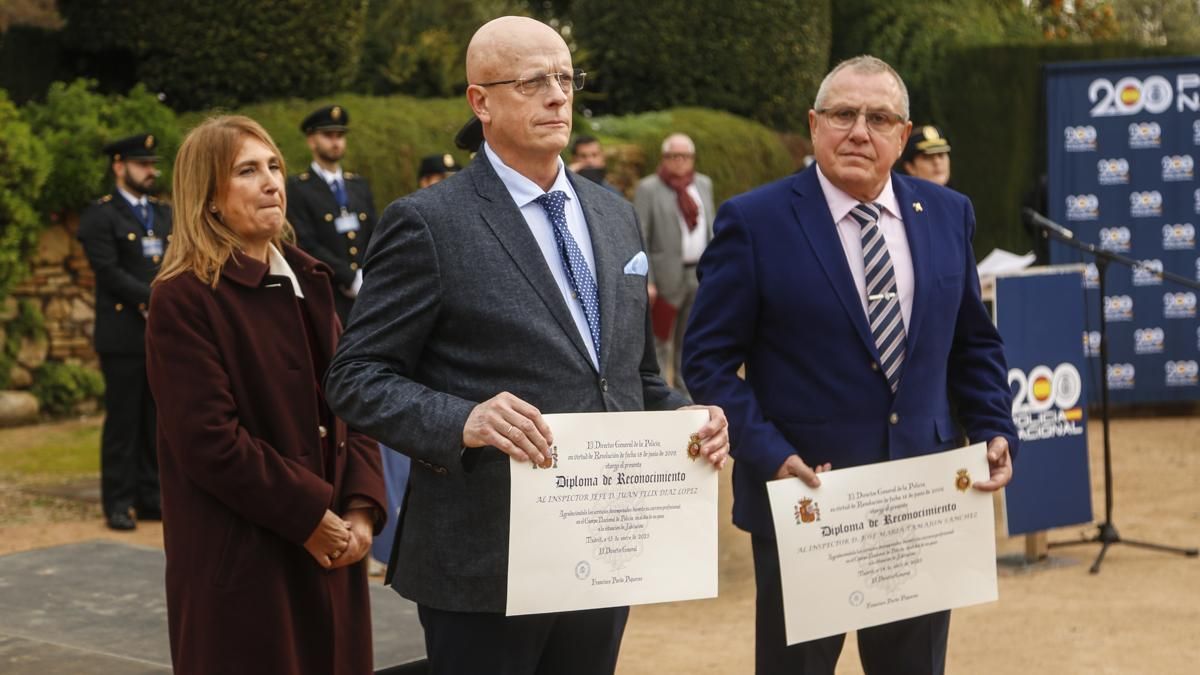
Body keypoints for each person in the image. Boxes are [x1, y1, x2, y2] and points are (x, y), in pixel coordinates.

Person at [324, 16, 729, 675]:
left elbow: (621, 373)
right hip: (486, 558)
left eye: (566, 78)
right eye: (532, 80)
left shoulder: (612, 212)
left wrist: (684, 412)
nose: (558, 95)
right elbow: (355, 376)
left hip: (602, 549)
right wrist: (465, 419)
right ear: (480, 101)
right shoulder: (428, 222)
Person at [682, 56, 1017, 675]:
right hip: (807, 497)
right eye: (842, 114)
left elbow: (973, 344)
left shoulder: (948, 214)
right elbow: (705, 361)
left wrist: (995, 427)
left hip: (922, 494)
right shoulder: (754, 222)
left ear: (903, 135)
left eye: (879, 117)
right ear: (814, 125)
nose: (859, 131)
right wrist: (770, 453)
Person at [145, 115, 386, 675]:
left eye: (274, 166)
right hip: (245, 558)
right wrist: (308, 515)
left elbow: (355, 402)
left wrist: (360, 507)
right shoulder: (182, 298)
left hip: (332, 552)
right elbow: (209, 441)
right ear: (208, 198)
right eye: (248, 171)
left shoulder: (311, 280)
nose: (272, 182)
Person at [77, 133, 172, 531]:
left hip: (161, 333)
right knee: (123, 419)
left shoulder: (164, 213)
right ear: (118, 166)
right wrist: (154, 298)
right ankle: (118, 501)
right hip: (123, 333)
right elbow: (109, 271)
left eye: (152, 163)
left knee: (156, 419)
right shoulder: (100, 215)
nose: (151, 171)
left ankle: (150, 496)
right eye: (141, 163)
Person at [634, 133, 716, 391]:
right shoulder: (649, 188)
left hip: (699, 274)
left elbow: (711, 229)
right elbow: (640, 235)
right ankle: (660, 395)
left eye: (685, 156)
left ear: (692, 159)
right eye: (673, 156)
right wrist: (649, 280)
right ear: (664, 159)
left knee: (691, 338)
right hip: (666, 276)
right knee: (661, 340)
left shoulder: (703, 184)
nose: (679, 161)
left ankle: (684, 392)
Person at [286, 105, 378, 323]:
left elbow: (375, 232)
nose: (336, 142)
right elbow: (305, 242)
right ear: (311, 140)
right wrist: (349, 278)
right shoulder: (298, 188)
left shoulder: (358, 185)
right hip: (329, 296)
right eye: (328, 135)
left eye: (340, 135)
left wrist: (369, 274)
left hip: (368, 293)